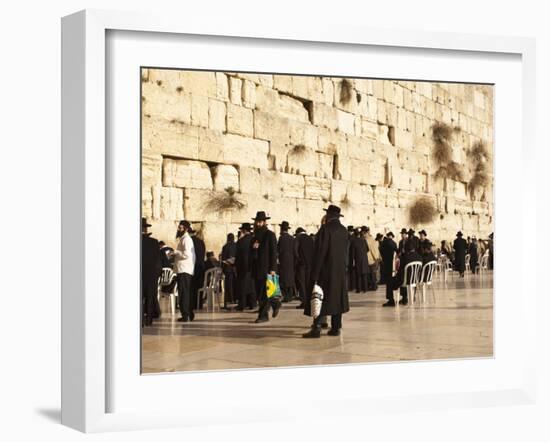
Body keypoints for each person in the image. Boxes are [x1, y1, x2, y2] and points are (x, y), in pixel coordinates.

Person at [303, 205, 349, 338]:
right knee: (337, 299)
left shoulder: (325, 230)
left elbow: (320, 252)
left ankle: (316, 327)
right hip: (339, 271)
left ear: (328, 215)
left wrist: (315, 273)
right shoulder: (344, 230)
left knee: (319, 297)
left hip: (325, 271)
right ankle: (336, 327)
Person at [250, 211, 279, 323]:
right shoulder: (254, 237)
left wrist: (273, 268)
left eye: (260, 222)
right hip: (257, 268)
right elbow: (251, 253)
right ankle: (276, 304)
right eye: (257, 221)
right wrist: (254, 248)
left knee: (265, 292)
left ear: (265, 222)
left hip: (267, 268)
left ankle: (263, 315)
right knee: (261, 292)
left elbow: (273, 253)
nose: (258, 224)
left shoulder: (270, 235)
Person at [387, 239, 422, 306]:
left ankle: (391, 301)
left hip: (405, 281)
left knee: (390, 280)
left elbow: (400, 270)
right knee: (405, 276)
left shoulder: (405, 257)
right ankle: (405, 298)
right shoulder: (419, 257)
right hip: (415, 280)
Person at [174, 220, 196, 322]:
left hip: (184, 270)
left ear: (186, 229)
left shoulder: (186, 239)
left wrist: (175, 252)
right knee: (185, 293)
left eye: (181, 228)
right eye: (179, 227)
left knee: (184, 293)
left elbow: (187, 254)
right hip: (184, 269)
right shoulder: (184, 239)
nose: (179, 229)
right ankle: (188, 314)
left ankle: (185, 315)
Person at [142, 218, 162, 326]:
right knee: (150, 297)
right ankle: (149, 319)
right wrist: (157, 275)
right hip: (151, 276)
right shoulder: (154, 242)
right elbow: (158, 261)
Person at [235, 223, 256, 311]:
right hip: (252, 266)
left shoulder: (241, 241)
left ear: (243, 230)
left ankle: (242, 305)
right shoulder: (253, 240)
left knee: (242, 286)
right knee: (251, 285)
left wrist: (235, 264)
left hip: (242, 267)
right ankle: (252, 303)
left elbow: (238, 255)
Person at [294, 227, 314, 309]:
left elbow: (295, 250)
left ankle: (304, 302)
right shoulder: (310, 238)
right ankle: (309, 301)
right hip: (310, 264)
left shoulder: (298, 238)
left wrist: (298, 259)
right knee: (308, 283)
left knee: (301, 283)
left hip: (301, 265)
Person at [277, 221, 296, 303]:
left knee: (283, 279)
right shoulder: (292, 238)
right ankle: (290, 295)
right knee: (290, 279)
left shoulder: (281, 238)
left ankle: (286, 296)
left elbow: (278, 250)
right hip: (291, 261)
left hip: (283, 261)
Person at [380, 232, 398, 307]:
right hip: (394, 267)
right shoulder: (394, 243)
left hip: (387, 266)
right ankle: (404, 298)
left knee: (389, 282)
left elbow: (381, 252)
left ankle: (391, 300)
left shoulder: (384, 243)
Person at [190, 228, 206, 310]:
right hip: (201, 266)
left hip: (193, 267)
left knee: (192, 286)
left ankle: (192, 304)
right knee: (199, 286)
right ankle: (199, 304)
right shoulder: (201, 242)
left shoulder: (190, 241)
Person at [221, 233, 237, 307]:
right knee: (235, 284)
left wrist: (222, 268)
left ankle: (229, 299)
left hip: (228, 268)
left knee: (228, 285)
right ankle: (236, 298)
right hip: (235, 268)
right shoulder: (237, 245)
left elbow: (223, 259)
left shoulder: (225, 246)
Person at [346, 225, 356, 292]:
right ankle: (353, 286)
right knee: (353, 273)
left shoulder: (348, 238)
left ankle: (350, 286)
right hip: (354, 257)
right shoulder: (354, 237)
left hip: (349, 257)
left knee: (350, 273)